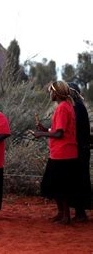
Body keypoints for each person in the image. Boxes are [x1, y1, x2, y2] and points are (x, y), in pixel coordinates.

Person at [33, 81, 79, 225]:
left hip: (63, 153)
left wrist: (41, 134)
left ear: (56, 93)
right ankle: (61, 213)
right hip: (63, 152)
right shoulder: (67, 106)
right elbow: (59, 130)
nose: (50, 94)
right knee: (55, 184)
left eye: (51, 91)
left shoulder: (63, 108)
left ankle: (65, 216)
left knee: (60, 185)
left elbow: (59, 134)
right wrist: (46, 129)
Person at [67, 82, 91, 222]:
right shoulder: (76, 107)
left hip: (80, 150)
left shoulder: (78, 108)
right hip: (79, 148)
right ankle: (79, 211)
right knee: (78, 179)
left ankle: (81, 213)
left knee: (80, 179)